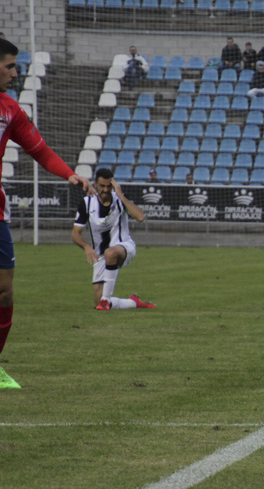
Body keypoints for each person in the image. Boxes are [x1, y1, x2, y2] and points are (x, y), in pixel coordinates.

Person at [0, 39, 95, 388]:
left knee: (5, 292)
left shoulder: (10, 109)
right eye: (9, 66)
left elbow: (39, 150)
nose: (15, 72)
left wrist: (68, 173)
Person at [71, 169, 155, 311]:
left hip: (124, 247)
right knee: (98, 302)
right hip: (100, 255)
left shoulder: (120, 199)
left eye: (109, 186)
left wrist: (120, 195)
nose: (105, 190)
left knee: (110, 253)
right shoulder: (86, 203)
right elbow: (75, 234)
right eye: (102, 186)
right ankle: (133, 302)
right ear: (95, 185)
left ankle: (105, 301)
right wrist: (86, 247)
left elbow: (140, 217)